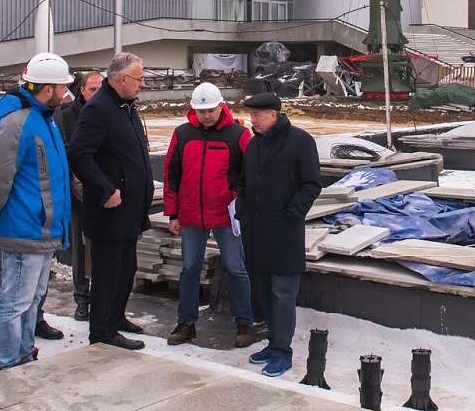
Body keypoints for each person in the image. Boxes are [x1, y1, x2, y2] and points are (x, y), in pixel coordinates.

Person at [0, 53, 73, 370]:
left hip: (41, 227)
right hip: (24, 229)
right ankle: (9, 361)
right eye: (62, 87)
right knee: (15, 301)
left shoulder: (41, 118)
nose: (66, 94)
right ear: (47, 89)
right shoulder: (18, 121)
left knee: (31, 299)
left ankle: (22, 352)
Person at [70, 53, 153, 350]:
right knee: (108, 272)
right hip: (110, 209)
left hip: (130, 208)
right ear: (122, 79)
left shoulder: (125, 106)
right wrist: (105, 190)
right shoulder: (100, 108)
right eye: (139, 79)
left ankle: (115, 317)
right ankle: (102, 332)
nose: (142, 84)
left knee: (126, 268)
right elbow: (79, 154)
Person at [163, 82, 255, 348]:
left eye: (210, 111)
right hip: (191, 213)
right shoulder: (182, 134)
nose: (206, 116)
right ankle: (186, 322)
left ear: (221, 107)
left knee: (236, 268)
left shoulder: (238, 134)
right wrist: (173, 213)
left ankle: (244, 322)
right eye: (201, 111)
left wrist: (238, 201)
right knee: (189, 268)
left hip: (226, 215)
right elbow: (172, 174)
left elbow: (249, 174)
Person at [236, 92, 321, 378]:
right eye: (251, 115)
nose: (253, 120)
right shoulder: (254, 144)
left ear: (274, 115)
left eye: (257, 115)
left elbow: (311, 184)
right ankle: (273, 344)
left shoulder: (300, 142)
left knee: (282, 294)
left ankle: (283, 351)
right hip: (257, 231)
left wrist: (291, 215)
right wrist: (243, 211)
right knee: (264, 293)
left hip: (284, 231)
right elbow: (244, 181)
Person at [57, 70, 104, 320]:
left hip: (106, 191)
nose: (97, 94)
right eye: (92, 89)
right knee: (79, 248)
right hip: (77, 195)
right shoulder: (65, 118)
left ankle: (102, 295)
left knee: (103, 247)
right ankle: (82, 297)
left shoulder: (111, 114)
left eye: (100, 89)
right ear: (82, 91)